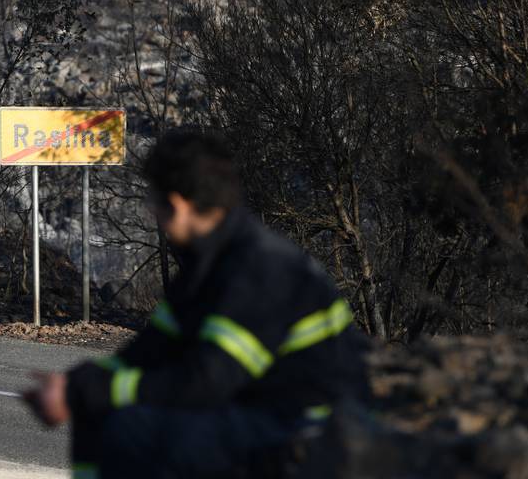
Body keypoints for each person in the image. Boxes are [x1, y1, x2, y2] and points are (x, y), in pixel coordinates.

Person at [24, 130, 369, 478]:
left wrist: (100, 391)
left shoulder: (260, 268)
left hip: (311, 433)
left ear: (177, 206)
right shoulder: (208, 263)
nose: (151, 212)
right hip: (263, 413)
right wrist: (75, 387)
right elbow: (148, 351)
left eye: (153, 202)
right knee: (97, 411)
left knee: (129, 429)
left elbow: (207, 382)